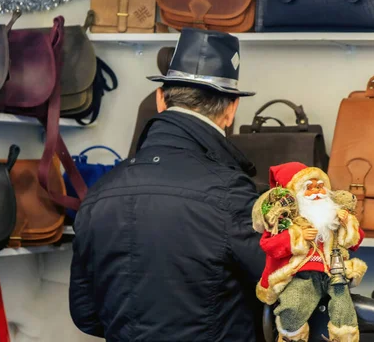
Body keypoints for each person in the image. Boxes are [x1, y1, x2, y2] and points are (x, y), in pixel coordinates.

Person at [69, 28, 266, 342]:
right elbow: (280, 295)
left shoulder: (100, 193)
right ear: (231, 109)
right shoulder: (231, 194)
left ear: (161, 99)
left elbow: (86, 315)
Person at [253, 162, 367, 342]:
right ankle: (293, 337)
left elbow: (355, 242)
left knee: (343, 309)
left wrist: (347, 224)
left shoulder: (334, 215)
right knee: (293, 306)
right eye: (309, 188)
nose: (316, 192)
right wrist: (298, 236)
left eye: (320, 186)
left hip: (334, 271)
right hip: (302, 275)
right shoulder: (286, 220)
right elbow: (269, 245)